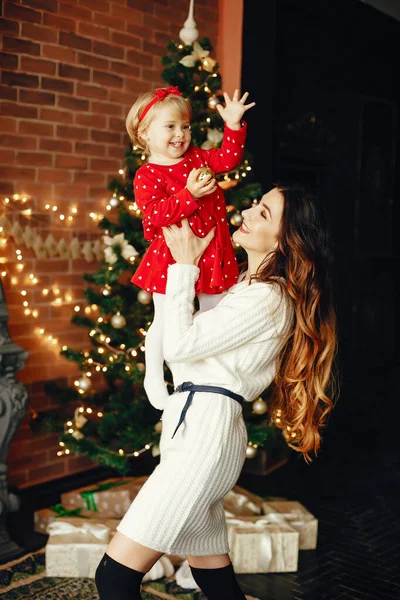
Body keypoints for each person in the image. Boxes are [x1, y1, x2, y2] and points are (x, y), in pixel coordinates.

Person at [95, 183, 338, 599]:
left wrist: (184, 267)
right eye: (256, 204)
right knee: (212, 570)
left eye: (263, 213)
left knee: (114, 576)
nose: (248, 211)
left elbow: (181, 346)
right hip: (197, 427)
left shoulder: (269, 297)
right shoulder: (244, 285)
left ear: (286, 240)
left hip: (206, 433)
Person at [125, 86, 255, 411]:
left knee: (213, 319)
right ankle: (154, 375)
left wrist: (234, 125)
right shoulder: (147, 175)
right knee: (165, 320)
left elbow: (228, 158)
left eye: (184, 126)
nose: (180, 134)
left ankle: (205, 379)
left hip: (213, 253)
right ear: (144, 132)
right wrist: (191, 194)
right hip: (171, 259)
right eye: (170, 126)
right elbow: (156, 214)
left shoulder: (197, 157)